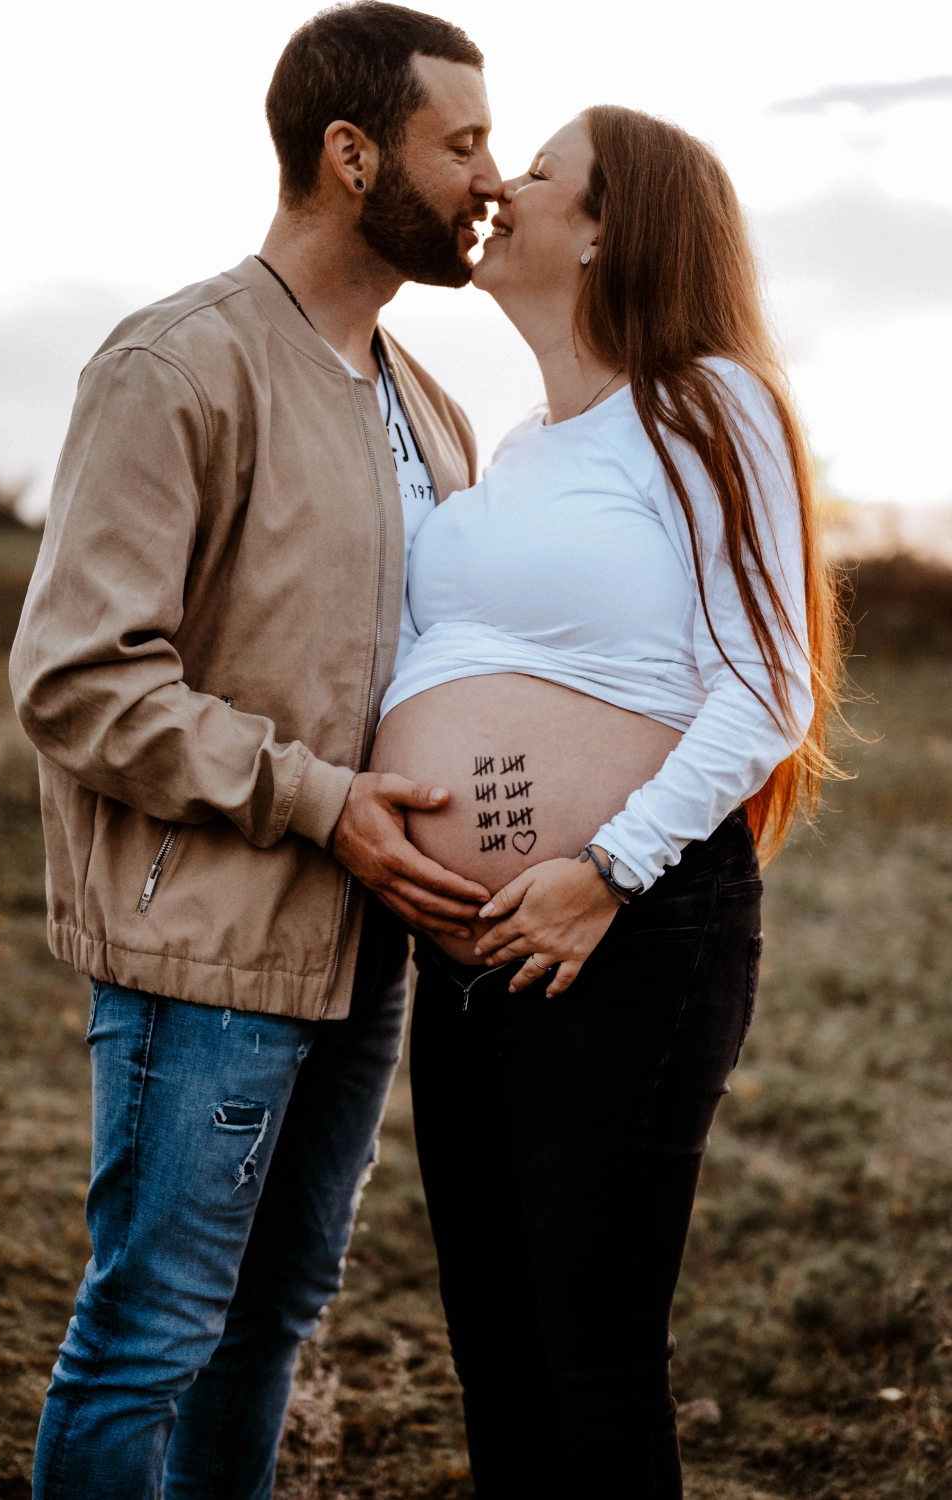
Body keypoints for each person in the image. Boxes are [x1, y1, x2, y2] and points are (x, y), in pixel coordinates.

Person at [8, 5, 502, 1496]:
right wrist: (318, 799)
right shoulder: (176, 364)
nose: (493, 176)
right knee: (150, 1331)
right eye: (461, 142)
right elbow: (80, 675)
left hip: (364, 955)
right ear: (352, 157)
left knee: (271, 1318)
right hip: (203, 958)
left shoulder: (434, 409)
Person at [370, 106, 844, 1496]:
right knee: (496, 1358)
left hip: (631, 928)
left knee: (592, 1362)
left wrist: (608, 869)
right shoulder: (514, 447)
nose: (501, 188)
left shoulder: (709, 402)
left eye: (538, 171)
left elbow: (769, 687)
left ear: (605, 226)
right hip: (470, 943)